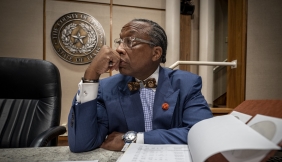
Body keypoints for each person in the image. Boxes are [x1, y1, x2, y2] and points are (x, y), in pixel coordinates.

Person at [68, 18, 212, 153]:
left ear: (156, 53)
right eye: (120, 41)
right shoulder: (106, 88)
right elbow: (82, 144)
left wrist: (134, 139)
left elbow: (202, 134)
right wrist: (91, 76)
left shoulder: (186, 83)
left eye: (130, 42)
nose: (119, 49)